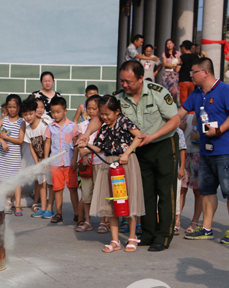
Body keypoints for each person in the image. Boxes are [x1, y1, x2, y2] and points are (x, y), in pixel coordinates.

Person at [80, 61, 180, 252]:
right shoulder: (119, 98)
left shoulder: (157, 92)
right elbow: (100, 117)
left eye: (129, 81)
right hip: (137, 149)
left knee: (166, 191)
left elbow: (175, 119)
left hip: (163, 144)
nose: (125, 85)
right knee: (145, 191)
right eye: (122, 81)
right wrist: (86, 134)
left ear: (141, 78)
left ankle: (163, 236)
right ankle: (148, 233)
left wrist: (153, 136)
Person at [181, 58, 229, 244]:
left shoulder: (224, 90)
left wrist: (219, 130)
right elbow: (180, 113)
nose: (191, 75)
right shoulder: (197, 93)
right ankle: (207, 228)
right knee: (207, 190)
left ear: (205, 72)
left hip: (225, 150)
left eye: (194, 72)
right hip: (206, 150)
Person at [78, 95, 145, 252]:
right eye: (102, 114)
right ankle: (115, 241)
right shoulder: (104, 127)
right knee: (112, 202)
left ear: (117, 111)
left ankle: (132, 238)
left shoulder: (124, 121)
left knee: (128, 201)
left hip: (126, 164)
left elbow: (139, 136)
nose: (104, 117)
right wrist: (85, 146)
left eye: (107, 114)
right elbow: (99, 148)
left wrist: (127, 153)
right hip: (109, 165)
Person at [74, 94, 108, 233]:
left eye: (95, 108)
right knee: (86, 194)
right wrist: (83, 153)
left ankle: (102, 222)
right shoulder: (83, 125)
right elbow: (80, 143)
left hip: (102, 163)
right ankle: (88, 221)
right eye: (89, 109)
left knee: (103, 193)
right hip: (87, 165)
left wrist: (86, 151)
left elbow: (105, 146)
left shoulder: (106, 126)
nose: (92, 111)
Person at [44, 96, 79, 223]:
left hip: (70, 162)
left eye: (58, 112)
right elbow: (47, 143)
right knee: (57, 189)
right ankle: (59, 213)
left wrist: (75, 160)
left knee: (73, 188)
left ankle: (77, 213)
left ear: (65, 111)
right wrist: (46, 160)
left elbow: (76, 145)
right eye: (53, 112)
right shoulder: (50, 126)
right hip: (55, 163)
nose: (55, 114)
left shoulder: (73, 126)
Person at [0, 94, 26, 216]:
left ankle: (17, 206)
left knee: (16, 181)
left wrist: (7, 138)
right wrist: (1, 141)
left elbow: (20, 140)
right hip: (4, 157)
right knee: (2, 180)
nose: (12, 110)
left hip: (15, 156)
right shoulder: (3, 120)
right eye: (9, 107)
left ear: (19, 108)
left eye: (14, 107)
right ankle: (2, 204)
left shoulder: (21, 122)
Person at [22, 99, 54, 218]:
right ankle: (43, 208)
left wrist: (45, 160)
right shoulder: (28, 129)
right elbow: (31, 146)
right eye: (25, 115)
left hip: (49, 159)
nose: (28, 117)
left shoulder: (43, 125)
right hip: (39, 161)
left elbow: (47, 142)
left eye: (30, 113)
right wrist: (37, 163)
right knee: (41, 184)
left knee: (49, 184)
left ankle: (50, 209)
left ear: (36, 112)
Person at [180, 111, 203, 233]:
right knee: (181, 189)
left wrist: (200, 137)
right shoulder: (183, 114)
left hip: (197, 153)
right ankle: (177, 219)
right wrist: (179, 127)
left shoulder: (204, 113)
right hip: (183, 154)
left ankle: (195, 220)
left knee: (197, 190)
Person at [175, 40, 198, 105]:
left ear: (183, 47)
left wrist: (175, 67)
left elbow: (177, 69)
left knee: (183, 99)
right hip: (193, 81)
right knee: (191, 98)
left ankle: (184, 113)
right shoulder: (195, 57)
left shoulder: (182, 57)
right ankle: (191, 113)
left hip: (183, 80)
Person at [174, 128, 187, 235]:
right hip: (161, 169)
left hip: (175, 168)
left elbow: (182, 150)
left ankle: (176, 221)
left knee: (177, 195)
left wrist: (182, 168)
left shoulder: (178, 131)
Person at [161, 39, 181, 103]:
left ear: (173, 44)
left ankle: (174, 104)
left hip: (175, 73)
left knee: (174, 91)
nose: (169, 45)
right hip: (167, 73)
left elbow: (179, 63)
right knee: (166, 90)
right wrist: (173, 65)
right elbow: (165, 64)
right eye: (167, 44)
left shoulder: (178, 53)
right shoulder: (164, 54)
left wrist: (174, 66)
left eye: (170, 43)